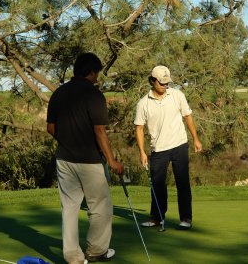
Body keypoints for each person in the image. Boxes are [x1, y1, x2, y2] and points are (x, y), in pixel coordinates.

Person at [46, 52, 124, 264]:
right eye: (96, 73)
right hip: (90, 160)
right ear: (91, 72)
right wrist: (112, 160)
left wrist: (67, 140)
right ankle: (97, 250)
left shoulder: (58, 94)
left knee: (69, 209)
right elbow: (99, 131)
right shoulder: (94, 95)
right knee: (99, 207)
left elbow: (51, 128)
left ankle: (73, 257)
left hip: (64, 159)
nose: (97, 78)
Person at [134, 65, 202, 230]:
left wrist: (196, 139)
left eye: (167, 82)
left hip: (179, 144)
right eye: (161, 82)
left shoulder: (177, 95)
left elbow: (187, 116)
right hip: (158, 149)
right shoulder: (143, 103)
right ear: (152, 81)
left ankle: (186, 218)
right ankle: (157, 218)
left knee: (182, 183)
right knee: (157, 185)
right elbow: (139, 128)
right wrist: (142, 152)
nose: (165, 85)